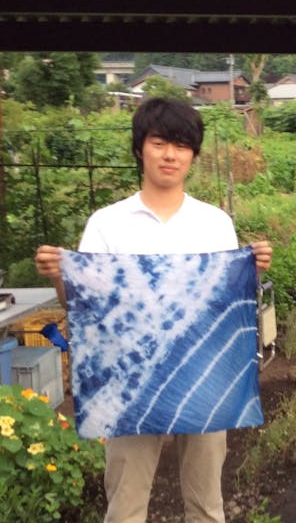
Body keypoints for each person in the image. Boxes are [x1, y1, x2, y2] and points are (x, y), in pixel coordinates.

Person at [35, 97, 273, 522]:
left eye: (181, 146)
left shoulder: (214, 222)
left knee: (206, 505)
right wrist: (59, 275)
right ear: (140, 148)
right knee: (125, 505)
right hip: (129, 382)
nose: (170, 155)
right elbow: (82, 306)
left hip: (202, 375)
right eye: (160, 143)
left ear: (193, 154)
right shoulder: (107, 223)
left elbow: (224, 305)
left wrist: (249, 271)